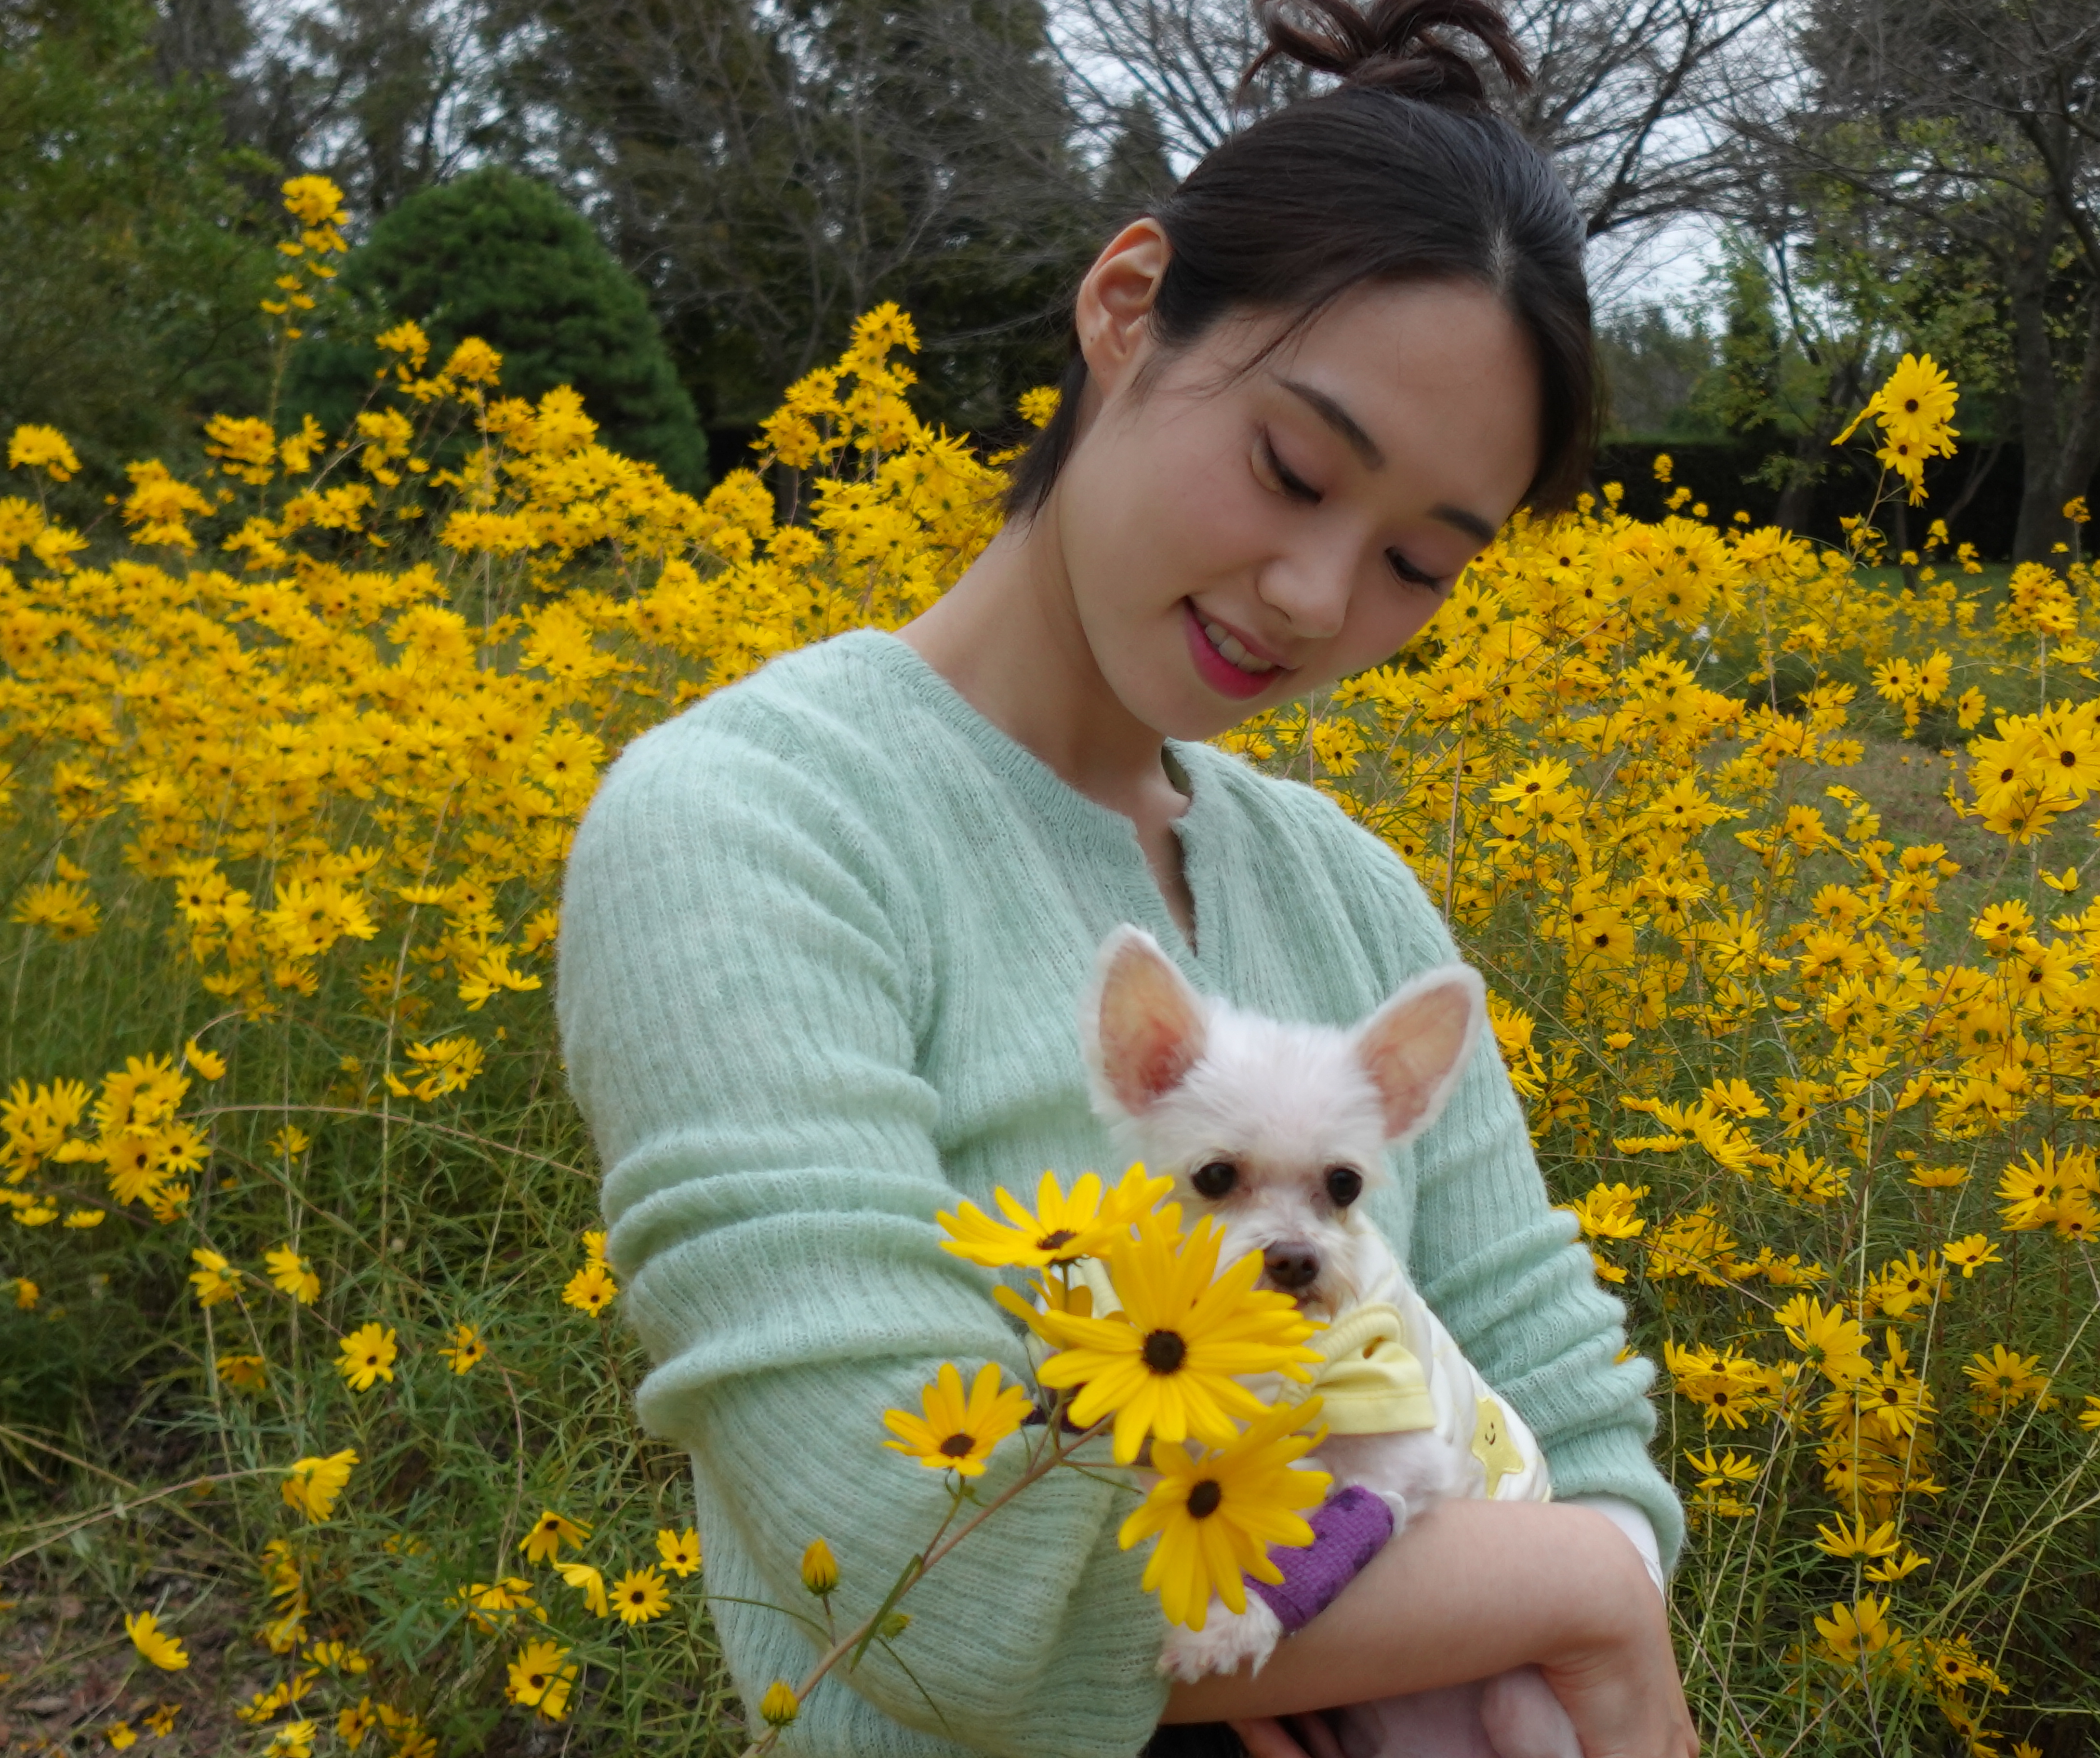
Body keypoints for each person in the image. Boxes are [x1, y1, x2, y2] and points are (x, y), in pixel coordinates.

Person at [551, 3, 1694, 1757]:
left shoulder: (1352, 894)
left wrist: (1576, 1572)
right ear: (1124, 305)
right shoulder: (750, 827)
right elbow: (921, 1572)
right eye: (1290, 468)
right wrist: (1575, 1599)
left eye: (1417, 561)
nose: (1316, 596)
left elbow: (1580, 1440)